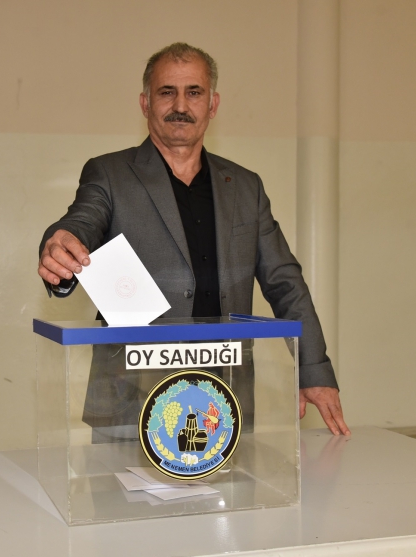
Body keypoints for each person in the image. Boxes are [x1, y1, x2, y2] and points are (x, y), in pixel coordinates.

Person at [38, 43, 350, 436]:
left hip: (225, 400)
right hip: (131, 401)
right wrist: (60, 243)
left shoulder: (246, 187)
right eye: (167, 92)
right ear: (145, 103)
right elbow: (81, 221)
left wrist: (313, 368)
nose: (180, 105)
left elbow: (285, 282)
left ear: (213, 104)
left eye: (194, 92)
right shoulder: (109, 174)